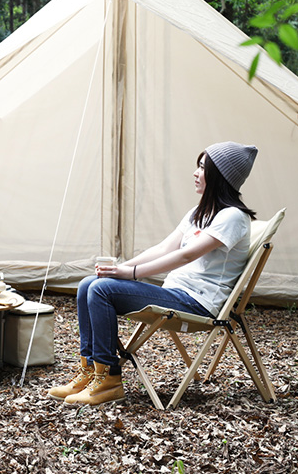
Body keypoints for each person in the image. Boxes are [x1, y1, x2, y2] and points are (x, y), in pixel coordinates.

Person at [48, 141, 258, 406]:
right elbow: (163, 248)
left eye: (203, 167)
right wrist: (119, 270)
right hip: (176, 293)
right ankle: (90, 371)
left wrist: (131, 274)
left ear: (220, 176)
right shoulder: (199, 213)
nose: (195, 173)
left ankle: (109, 380)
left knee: (101, 290)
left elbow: (186, 255)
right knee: (89, 284)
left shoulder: (233, 217)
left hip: (198, 303)